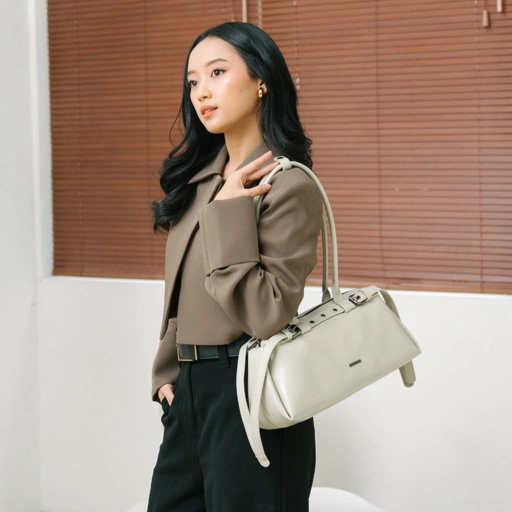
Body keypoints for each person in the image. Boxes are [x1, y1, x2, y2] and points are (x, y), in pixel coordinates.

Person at [147, 21, 324, 512]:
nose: (201, 92)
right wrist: (167, 370)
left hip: (250, 389)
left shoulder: (289, 185)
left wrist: (229, 213)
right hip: (188, 393)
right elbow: (185, 289)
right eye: (193, 81)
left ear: (261, 80)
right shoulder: (198, 182)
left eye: (217, 72)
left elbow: (267, 312)